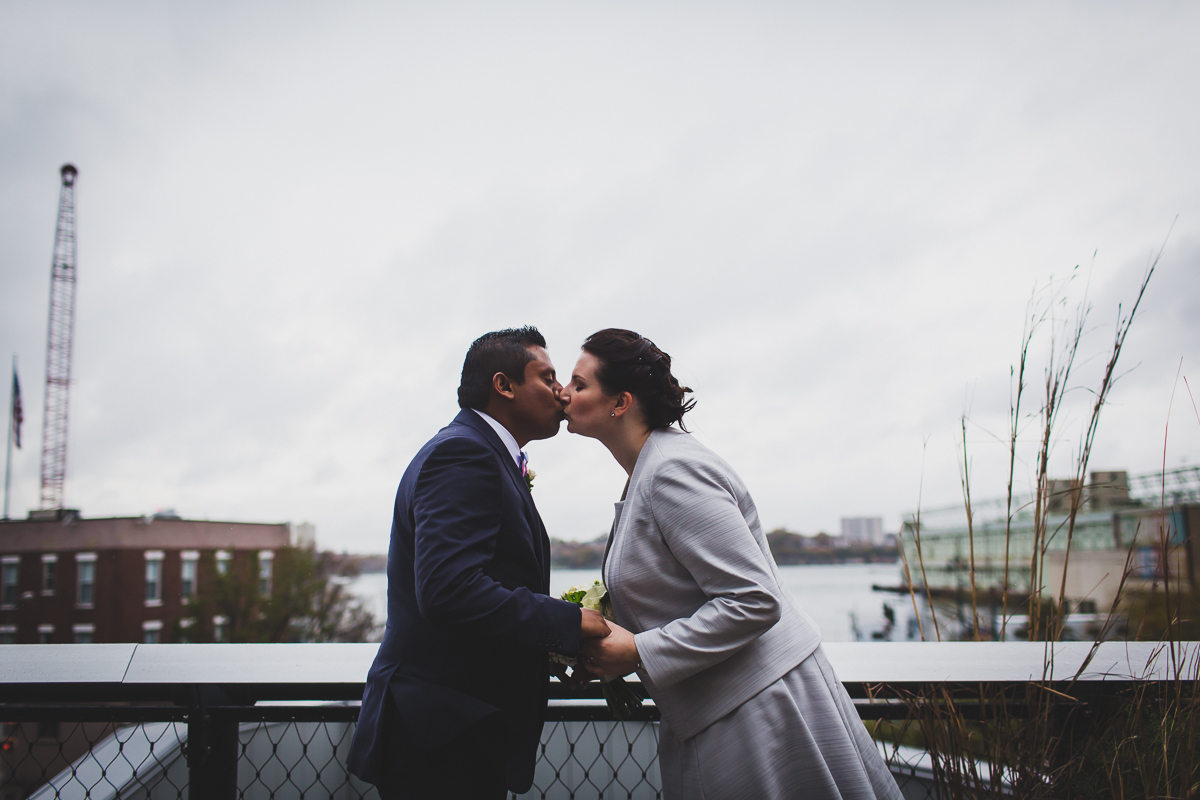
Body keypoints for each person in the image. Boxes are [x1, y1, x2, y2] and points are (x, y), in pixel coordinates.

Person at [563, 328, 902, 800]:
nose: (563, 392)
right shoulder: (652, 468)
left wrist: (639, 650)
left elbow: (754, 599)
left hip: (759, 714)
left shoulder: (671, 471)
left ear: (620, 402)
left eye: (579, 384)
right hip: (724, 709)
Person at [348, 327, 611, 799]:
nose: (561, 391)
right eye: (547, 376)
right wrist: (571, 623)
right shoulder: (463, 453)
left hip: (456, 726)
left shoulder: (485, 453)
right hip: (440, 733)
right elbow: (450, 590)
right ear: (503, 385)